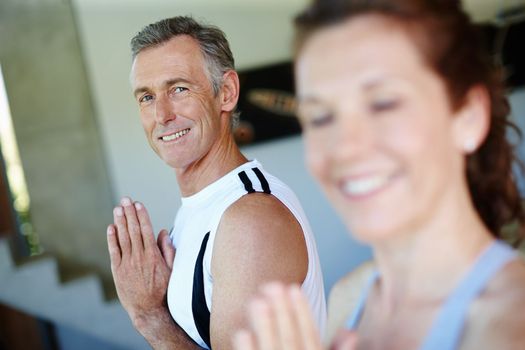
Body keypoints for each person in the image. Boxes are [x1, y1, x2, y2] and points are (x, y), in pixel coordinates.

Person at [233, 0, 525, 349]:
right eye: (320, 117)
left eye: (384, 103)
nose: (345, 147)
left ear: (468, 117)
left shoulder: (511, 322)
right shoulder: (348, 300)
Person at [105, 16, 326, 349]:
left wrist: (149, 315)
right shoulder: (204, 207)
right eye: (146, 97)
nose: (162, 115)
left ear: (226, 93)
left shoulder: (251, 219)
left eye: (178, 89)